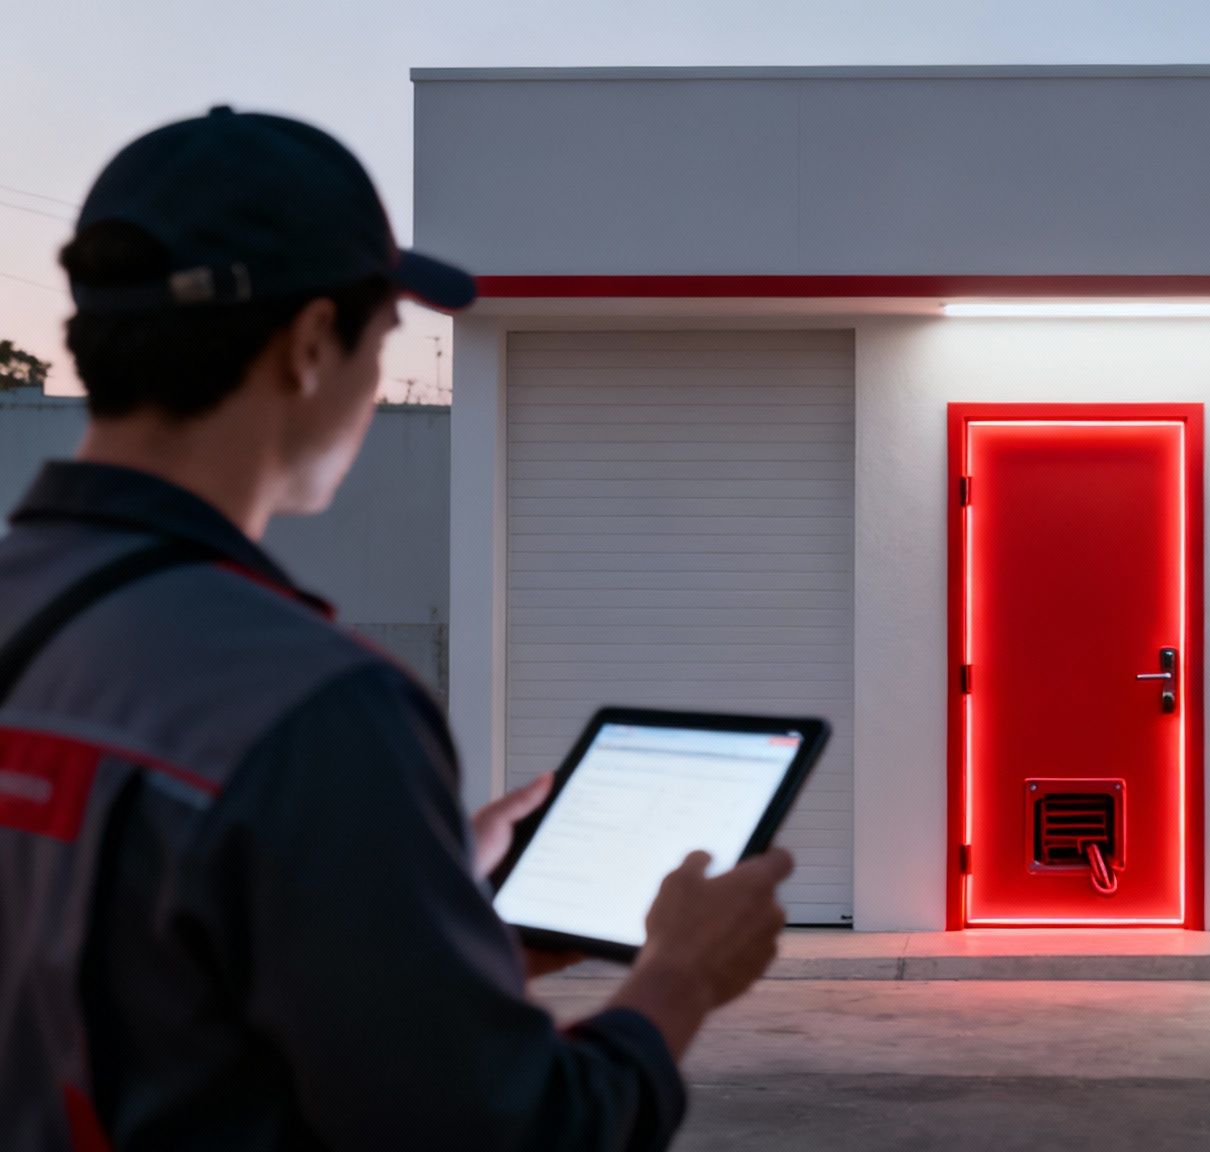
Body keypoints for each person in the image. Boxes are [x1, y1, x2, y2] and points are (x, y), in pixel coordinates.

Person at [0, 107, 793, 1151]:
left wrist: (412, 918)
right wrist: (679, 977)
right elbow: (516, 1133)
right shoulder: (313, 712)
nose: (377, 386)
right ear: (309, 345)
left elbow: (142, 1004)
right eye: (383, 340)